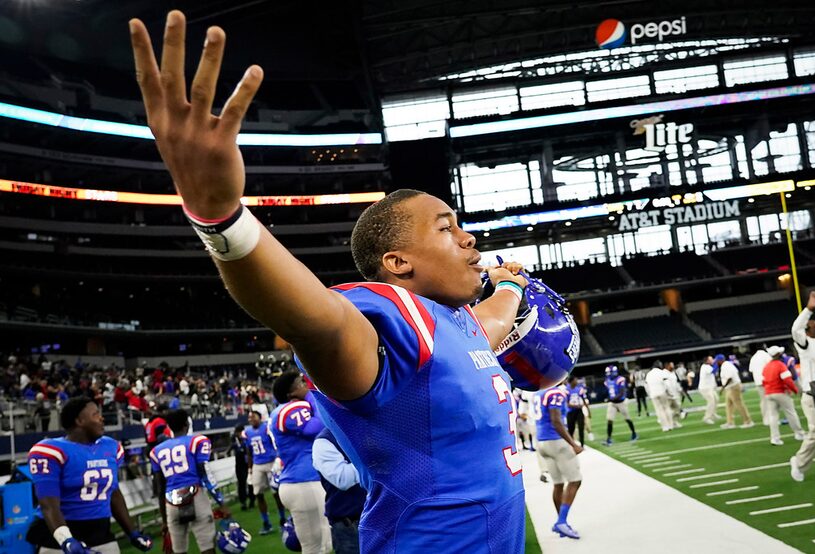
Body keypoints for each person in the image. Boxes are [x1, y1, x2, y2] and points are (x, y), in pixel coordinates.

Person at [129, 12, 534, 551]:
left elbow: (489, 321)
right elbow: (310, 317)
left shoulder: (456, 325)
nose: (467, 239)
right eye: (446, 228)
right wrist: (220, 215)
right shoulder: (386, 317)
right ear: (397, 262)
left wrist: (511, 285)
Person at [26, 397, 152, 554]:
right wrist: (66, 540)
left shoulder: (111, 447)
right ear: (79, 421)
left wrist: (132, 533)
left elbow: (113, 493)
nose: (102, 418)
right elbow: (48, 505)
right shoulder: (50, 451)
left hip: (101, 533)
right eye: (95, 414)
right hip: (59, 537)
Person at [150, 409, 230, 554]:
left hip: (171, 502)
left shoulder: (157, 451)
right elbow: (205, 475)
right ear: (186, 424)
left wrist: (164, 520)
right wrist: (221, 502)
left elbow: (160, 488)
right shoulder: (197, 441)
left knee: (179, 551)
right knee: (207, 547)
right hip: (195, 496)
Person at [270, 370, 331, 554]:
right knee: (315, 548)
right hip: (303, 482)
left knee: (324, 545)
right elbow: (317, 426)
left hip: (302, 481)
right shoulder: (289, 408)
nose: (306, 385)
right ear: (291, 393)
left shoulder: (287, 409)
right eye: (301, 383)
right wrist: (313, 397)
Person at [534, 384, 583, 540]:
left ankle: (561, 522)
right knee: (575, 481)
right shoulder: (555, 392)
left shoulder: (540, 392)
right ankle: (562, 521)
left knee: (558, 484)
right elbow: (556, 421)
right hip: (556, 442)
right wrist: (573, 443)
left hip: (542, 442)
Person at [790, 291, 815, 481]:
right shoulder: (805, 344)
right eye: (813, 326)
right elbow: (795, 330)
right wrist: (807, 310)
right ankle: (799, 462)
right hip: (813, 395)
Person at [312, 427, 367, 554]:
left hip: (382, 517)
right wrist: (374, 460)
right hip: (350, 524)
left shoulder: (365, 428)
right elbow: (343, 479)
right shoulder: (324, 441)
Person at [242, 408, 282, 534]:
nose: (251, 419)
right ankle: (266, 522)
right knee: (257, 493)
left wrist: (277, 458)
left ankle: (283, 519)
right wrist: (249, 469)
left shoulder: (266, 428)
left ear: (260, 417)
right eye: (249, 418)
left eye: (253, 417)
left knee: (276, 492)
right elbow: (249, 452)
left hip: (270, 462)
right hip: (257, 464)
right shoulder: (247, 432)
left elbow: (276, 443)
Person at [762, 347, 805, 446]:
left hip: (769, 393)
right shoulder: (780, 365)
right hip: (780, 392)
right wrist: (795, 390)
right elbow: (787, 380)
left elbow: (763, 380)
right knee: (791, 413)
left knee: (773, 416)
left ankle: (775, 438)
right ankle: (799, 433)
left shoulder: (766, 366)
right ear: (778, 354)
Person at [717, 354, 754, 429]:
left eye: (717, 361)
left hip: (733, 387)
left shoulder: (726, 366)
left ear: (720, 360)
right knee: (729, 406)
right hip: (731, 387)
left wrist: (723, 388)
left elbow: (729, 377)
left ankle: (748, 421)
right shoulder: (728, 365)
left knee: (739, 404)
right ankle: (730, 422)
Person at [603, 365, 637, 445]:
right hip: (612, 403)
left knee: (627, 418)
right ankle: (609, 438)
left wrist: (611, 399)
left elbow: (621, 393)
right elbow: (610, 392)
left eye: (609, 372)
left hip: (621, 402)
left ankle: (634, 433)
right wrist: (610, 399)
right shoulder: (607, 381)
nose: (608, 374)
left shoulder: (620, 379)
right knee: (609, 420)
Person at [226, 425, 252, 509]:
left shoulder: (246, 439)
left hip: (248, 464)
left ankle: (252, 499)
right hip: (239, 465)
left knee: (250, 482)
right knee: (241, 484)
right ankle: (243, 502)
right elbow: (228, 451)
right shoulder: (234, 441)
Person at [645, 361, 675, 432]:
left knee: (659, 410)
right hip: (662, 392)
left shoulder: (649, 374)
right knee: (666, 408)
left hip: (653, 394)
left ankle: (665, 427)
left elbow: (646, 386)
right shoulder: (661, 372)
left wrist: (649, 394)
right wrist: (670, 393)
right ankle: (670, 425)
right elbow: (666, 383)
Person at [748, 347, 772, 425]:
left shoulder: (753, 358)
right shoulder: (766, 355)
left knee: (763, 400)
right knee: (770, 400)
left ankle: (765, 419)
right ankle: (771, 418)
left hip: (758, 382)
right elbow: (771, 366)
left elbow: (751, 370)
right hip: (767, 380)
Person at [565, 376, 589, 447]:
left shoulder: (579, 389)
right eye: (575, 380)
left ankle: (582, 444)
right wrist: (576, 406)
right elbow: (566, 403)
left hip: (579, 411)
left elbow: (584, 400)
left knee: (581, 427)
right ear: (571, 381)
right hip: (570, 412)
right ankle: (570, 445)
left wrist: (588, 410)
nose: (577, 381)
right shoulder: (566, 390)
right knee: (571, 429)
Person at [699, 356, 720, 424]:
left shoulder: (708, 366)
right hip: (705, 388)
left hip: (710, 388)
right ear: (707, 361)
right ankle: (706, 417)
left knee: (716, 399)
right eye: (711, 359)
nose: (713, 360)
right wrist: (716, 363)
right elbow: (713, 371)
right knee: (711, 402)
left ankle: (713, 414)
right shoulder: (705, 367)